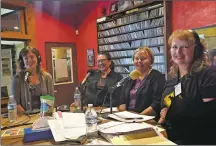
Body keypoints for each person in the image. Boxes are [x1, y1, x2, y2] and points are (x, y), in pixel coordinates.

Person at [158, 29, 216, 145]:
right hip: (169, 137)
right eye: (174, 47)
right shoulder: (172, 77)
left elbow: (210, 116)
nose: (178, 52)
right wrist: (159, 123)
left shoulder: (208, 75)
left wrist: (171, 113)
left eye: (184, 47)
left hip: (196, 140)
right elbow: (165, 106)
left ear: (196, 49)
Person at [118, 47, 166, 117]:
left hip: (146, 117)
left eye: (143, 58)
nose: (139, 61)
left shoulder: (157, 77)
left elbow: (157, 103)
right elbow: (122, 100)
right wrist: (123, 117)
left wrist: (139, 117)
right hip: (128, 117)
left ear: (151, 60)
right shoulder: (130, 77)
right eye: (136, 59)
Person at [12, 47, 54, 113]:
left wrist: (43, 117)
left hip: (44, 117)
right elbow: (16, 104)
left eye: (32, 57)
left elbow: (50, 100)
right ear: (22, 61)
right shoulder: (17, 79)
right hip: (25, 118)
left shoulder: (47, 77)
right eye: (26, 58)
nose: (29, 60)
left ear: (38, 59)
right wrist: (28, 118)